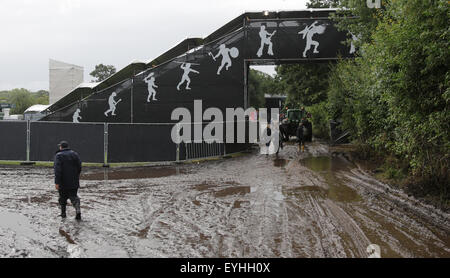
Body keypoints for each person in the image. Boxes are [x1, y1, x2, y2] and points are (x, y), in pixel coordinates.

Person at [54, 141, 82, 220]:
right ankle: (78, 210)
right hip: (74, 181)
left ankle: (63, 214)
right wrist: (75, 175)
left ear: (61, 147)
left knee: (62, 197)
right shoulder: (75, 154)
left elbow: (57, 170)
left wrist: (57, 182)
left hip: (63, 182)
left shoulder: (58, 155)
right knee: (74, 197)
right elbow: (79, 166)